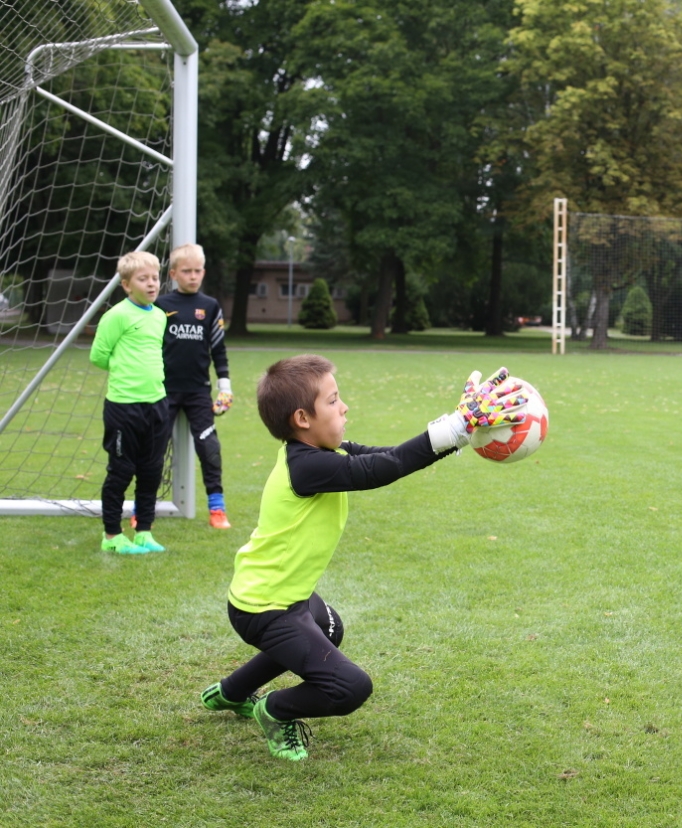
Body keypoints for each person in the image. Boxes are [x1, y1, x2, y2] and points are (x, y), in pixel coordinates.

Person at [199, 355, 527, 761]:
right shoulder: (308, 466)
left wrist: (459, 430)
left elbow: (389, 457)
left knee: (329, 628)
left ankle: (232, 693)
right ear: (303, 418)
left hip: (286, 597)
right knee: (350, 688)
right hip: (264, 609)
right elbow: (382, 470)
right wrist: (455, 426)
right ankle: (275, 710)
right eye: (334, 401)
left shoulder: (319, 453)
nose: (345, 407)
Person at [89, 250, 171, 554]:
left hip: (158, 404)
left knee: (151, 471)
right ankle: (111, 535)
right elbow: (98, 356)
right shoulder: (117, 316)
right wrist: (126, 372)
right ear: (126, 285)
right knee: (121, 471)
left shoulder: (160, 316)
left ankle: (144, 531)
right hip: (124, 408)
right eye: (143, 279)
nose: (152, 284)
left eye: (155, 278)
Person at [154, 243, 233, 529]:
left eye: (197, 270)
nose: (192, 276)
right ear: (174, 274)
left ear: (203, 272)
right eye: (186, 271)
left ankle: (217, 508)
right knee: (154, 448)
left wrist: (225, 387)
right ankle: (143, 507)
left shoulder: (210, 307)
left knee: (209, 447)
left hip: (199, 391)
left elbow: (219, 351)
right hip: (163, 391)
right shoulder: (161, 306)